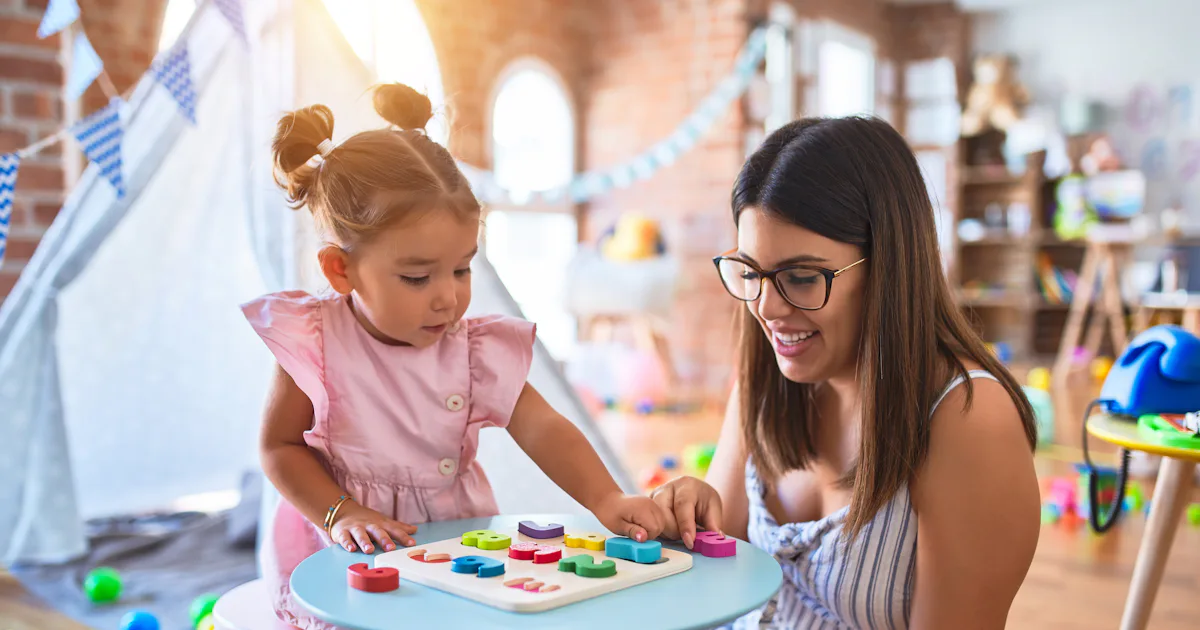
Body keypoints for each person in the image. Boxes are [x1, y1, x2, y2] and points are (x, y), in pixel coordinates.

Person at [242, 83, 664, 629]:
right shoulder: (315, 340)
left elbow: (543, 428)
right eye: (418, 277)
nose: (449, 297)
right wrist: (340, 512)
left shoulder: (472, 351)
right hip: (346, 546)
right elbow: (278, 447)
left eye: (462, 269)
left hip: (452, 541)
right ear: (341, 270)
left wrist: (605, 498)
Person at [650, 117, 1041, 629]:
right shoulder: (767, 379)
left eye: (801, 277)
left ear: (888, 266)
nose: (766, 307)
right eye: (750, 272)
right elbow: (716, 581)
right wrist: (687, 522)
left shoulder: (968, 419)